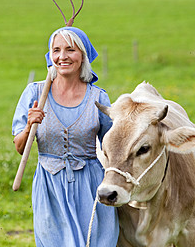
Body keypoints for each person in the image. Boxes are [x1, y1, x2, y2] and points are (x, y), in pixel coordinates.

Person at [12, 26, 119, 246]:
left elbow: (113, 148)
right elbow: (20, 147)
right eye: (56, 50)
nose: (62, 57)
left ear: (82, 55)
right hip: (50, 187)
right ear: (50, 56)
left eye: (70, 50)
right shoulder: (34, 93)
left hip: (90, 186)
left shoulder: (98, 98)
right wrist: (29, 125)